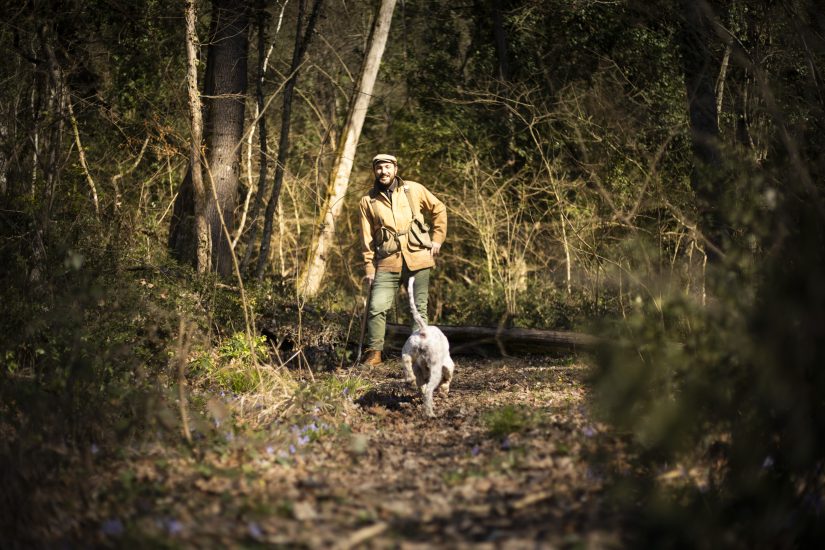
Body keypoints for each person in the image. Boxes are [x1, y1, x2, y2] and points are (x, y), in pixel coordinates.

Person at [358, 153, 447, 366]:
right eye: (379, 168)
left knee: (418, 309)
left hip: (418, 258)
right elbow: (366, 238)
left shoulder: (413, 189)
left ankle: (420, 354)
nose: (383, 171)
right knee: (376, 306)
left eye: (387, 167)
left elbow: (439, 209)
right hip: (387, 261)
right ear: (374, 171)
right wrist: (369, 268)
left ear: (395, 169)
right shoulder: (367, 201)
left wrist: (437, 239)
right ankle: (374, 353)